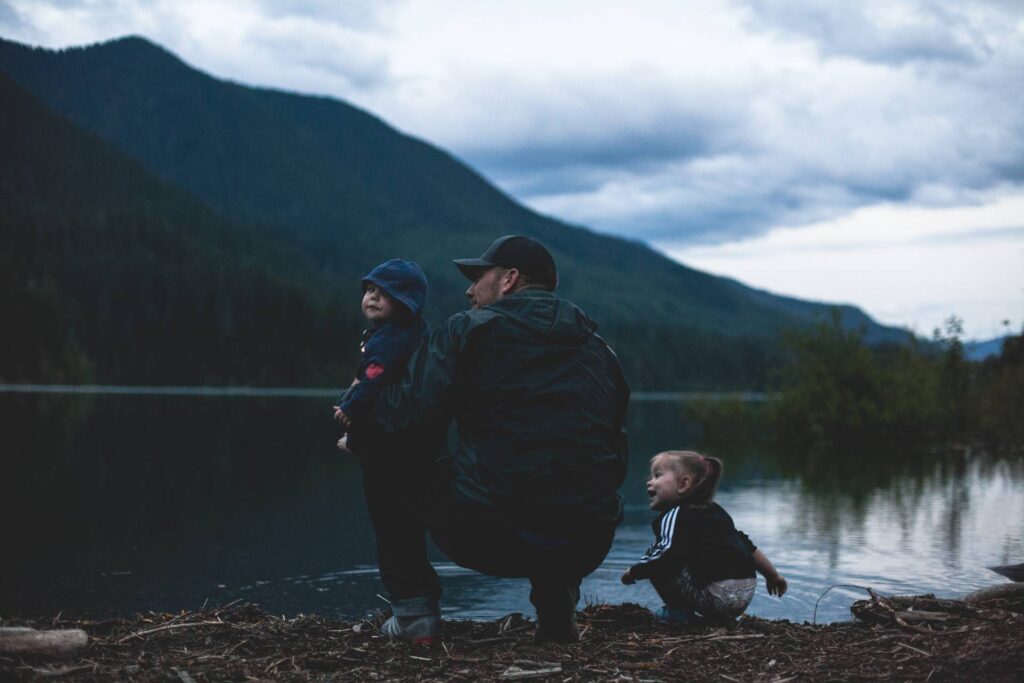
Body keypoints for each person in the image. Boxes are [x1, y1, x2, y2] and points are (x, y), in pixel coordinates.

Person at [352, 235, 630, 644]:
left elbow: (400, 418)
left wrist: (359, 412)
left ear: (509, 280)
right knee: (567, 476)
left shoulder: (467, 331)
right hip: (588, 540)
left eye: (477, 277)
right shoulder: (601, 350)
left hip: (491, 534)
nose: (469, 290)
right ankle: (556, 610)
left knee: (380, 451)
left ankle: (414, 614)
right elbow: (615, 449)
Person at [620, 450, 787, 624]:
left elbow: (664, 555)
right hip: (744, 595)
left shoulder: (675, 514)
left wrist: (634, 572)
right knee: (675, 553)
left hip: (715, 596)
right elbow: (747, 546)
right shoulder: (716, 511)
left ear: (683, 484)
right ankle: (720, 618)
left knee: (660, 554)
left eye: (657, 475)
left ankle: (677, 613)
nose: (649, 482)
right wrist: (773, 576)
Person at [332, 259, 429, 452]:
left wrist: (351, 408)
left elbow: (373, 381)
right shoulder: (415, 329)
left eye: (385, 292)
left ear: (404, 302)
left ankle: (355, 442)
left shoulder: (389, 340)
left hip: (389, 421)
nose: (373, 298)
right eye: (370, 290)